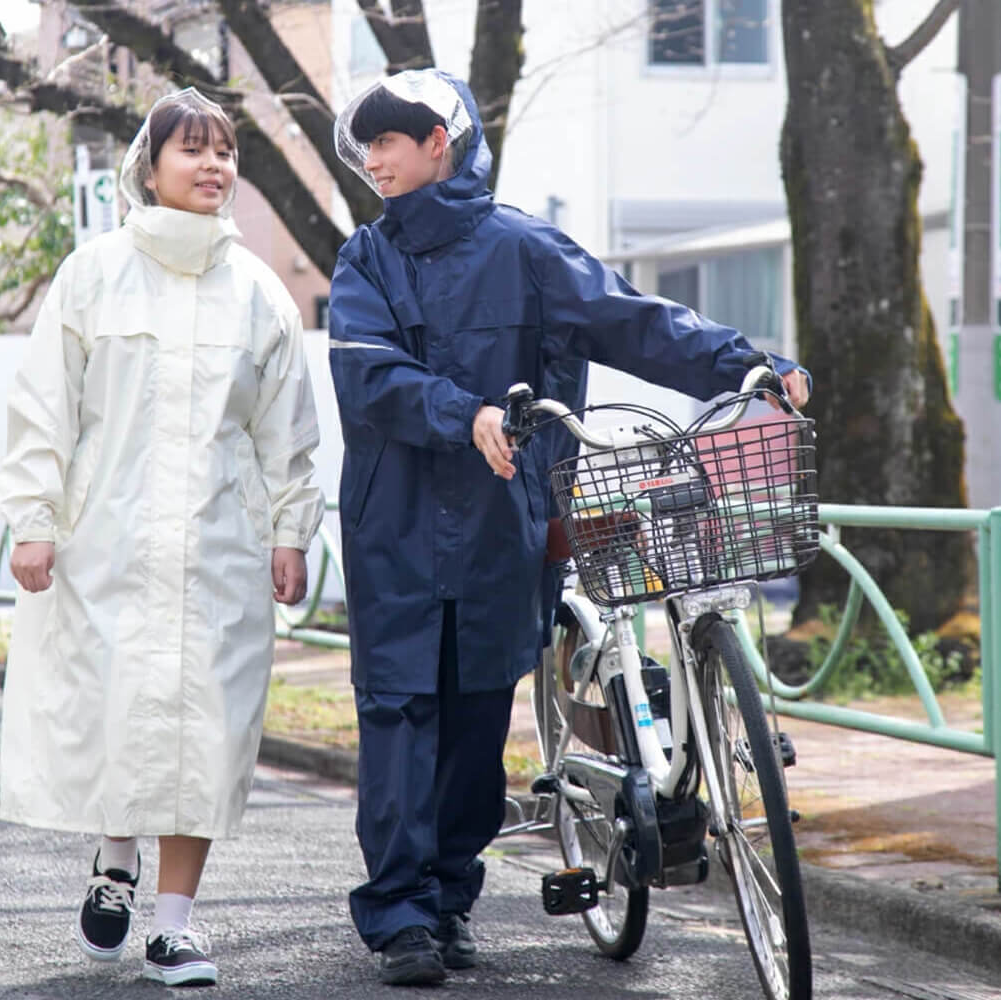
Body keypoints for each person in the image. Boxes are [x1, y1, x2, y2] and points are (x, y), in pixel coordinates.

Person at [327, 69, 811, 987]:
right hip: (392, 522)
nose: (375, 161)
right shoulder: (366, 260)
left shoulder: (529, 250)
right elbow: (365, 371)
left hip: (501, 520)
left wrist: (748, 363)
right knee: (399, 711)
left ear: (440, 141)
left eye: (390, 141)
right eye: (369, 148)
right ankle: (398, 915)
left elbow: (636, 322)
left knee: (475, 714)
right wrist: (464, 412)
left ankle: (448, 900)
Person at [0, 88, 324, 988]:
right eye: (193, 150)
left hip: (217, 547)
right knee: (117, 712)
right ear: (150, 167)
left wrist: (292, 531)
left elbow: (286, 432)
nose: (215, 166)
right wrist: (34, 521)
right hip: (108, 540)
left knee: (205, 732)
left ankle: (175, 923)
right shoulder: (94, 274)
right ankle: (114, 861)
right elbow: (42, 409)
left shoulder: (259, 292)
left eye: (225, 153)